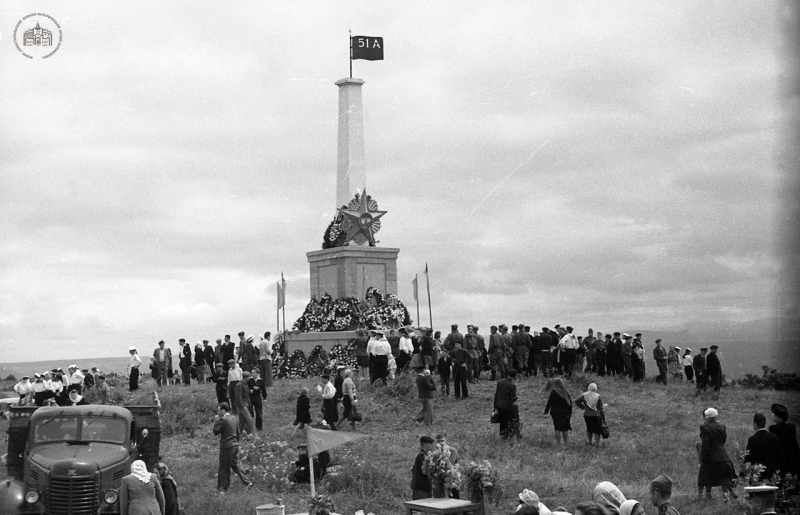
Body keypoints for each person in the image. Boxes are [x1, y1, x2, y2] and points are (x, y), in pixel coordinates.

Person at [697, 407, 737, 500]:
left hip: (711, 457)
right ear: (716, 416)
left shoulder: (704, 427)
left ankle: (701, 497)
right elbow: (723, 440)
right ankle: (726, 497)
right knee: (724, 478)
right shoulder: (722, 426)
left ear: (706, 417)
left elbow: (705, 445)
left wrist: (704, 458)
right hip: (724, 456)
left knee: (703, 478)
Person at [213, 402, 252, 492]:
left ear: (223, 410)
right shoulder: (234, 418)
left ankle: (223, 488)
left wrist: (216, 422)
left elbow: (216, 431)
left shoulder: (223, 420)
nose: (218, 412)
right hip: (235, 444)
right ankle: (247, 482)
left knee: (224, 467)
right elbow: (238, 432)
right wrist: (237, 442)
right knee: (236, 464)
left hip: (226, 446)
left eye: (219, 410)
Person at [745, 412, 782, 482]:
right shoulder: (775, 438)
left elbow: (748, 459)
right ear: (764, 423)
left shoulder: (752, 440)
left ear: (754, 424)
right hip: (772, 476)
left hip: (758, 477)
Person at [769, 403, 800, 477]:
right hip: (793, 458)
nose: (773, 416)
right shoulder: (792, 427)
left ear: (780, 418)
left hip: (781, 460)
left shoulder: (773, 429)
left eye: (775, 415)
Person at [544, 377, 572, 445]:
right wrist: (570, 412)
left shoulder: (554, 391)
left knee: (557, 428)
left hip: (556, 412)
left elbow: (549, 402)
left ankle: (559, 443)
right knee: (565, 428)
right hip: (565, 412)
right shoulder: (566, 391)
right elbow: (570, 403)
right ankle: (565, 442)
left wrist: (546, 411)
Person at [494, 369, 519, 439]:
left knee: (502, 421)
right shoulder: (512, 385)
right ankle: (506, 435)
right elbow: (513, 398)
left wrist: (495, 405)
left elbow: (496, 394)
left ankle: (502, 433)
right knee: (507, 421)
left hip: (499, 404)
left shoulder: (500, 382)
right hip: (507, 406)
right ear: (515, 376)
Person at [411, 435, 435, 500]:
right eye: (430, 444)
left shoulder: (424, 455)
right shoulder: (422, 456)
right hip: (421, 488)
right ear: (425, 444)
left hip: (424, 487)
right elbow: (425, 471)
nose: (432, 446)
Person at [234, 371, 256, 438]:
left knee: (241, 421)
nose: (250, 378)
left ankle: (238, 435)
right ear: (246, 377)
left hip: (246, 404)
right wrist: (241, 405)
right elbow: (238, 396)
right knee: (250, 420)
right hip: (242, 405)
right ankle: (254, 435)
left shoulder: (245, 384)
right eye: (249, 377)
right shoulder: (239, 385)